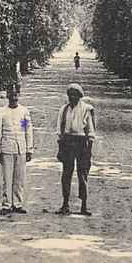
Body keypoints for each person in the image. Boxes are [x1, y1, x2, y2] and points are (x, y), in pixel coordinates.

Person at [0, 84, 33, 214]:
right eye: (11, 94)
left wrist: (29, 149)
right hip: (6, 148)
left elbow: (27, 130)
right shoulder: (1, 113)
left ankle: (18, 203)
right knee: (7, 178)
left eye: (16, 94)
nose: (13, 97)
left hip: (20, 148)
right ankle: (6, 204)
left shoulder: (24, 111)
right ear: (7, 95)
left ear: (19, 95)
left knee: (19, 178)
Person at [56, 83, 95, 216]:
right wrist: (60, 148)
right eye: (70, 94)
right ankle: (65, 204)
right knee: (66, 173)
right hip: (67, 142)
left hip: (81, 142)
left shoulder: (86, 109)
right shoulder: (64, 109)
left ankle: (84, 205)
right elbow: (60, 131)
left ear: (80, 96)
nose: (72, 97)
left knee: (82, 174)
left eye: (75, 94)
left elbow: (90, 132)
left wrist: (89, 150)